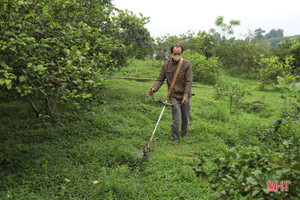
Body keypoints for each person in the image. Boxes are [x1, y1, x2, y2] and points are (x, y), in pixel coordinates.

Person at [149, 43, 193, 142]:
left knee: (185, 116)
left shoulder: (186, 64)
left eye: (179, 54)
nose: (177, 56)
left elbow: (189, 82)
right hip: (173, 95)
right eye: (175, 54)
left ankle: (185, 133)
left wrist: (186, 96)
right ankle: (175, 139)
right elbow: (160, 79)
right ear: (171, 53)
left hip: (185, 95)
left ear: (182, 53)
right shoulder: (166, 65)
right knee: (176, 119)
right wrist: (154, 89)